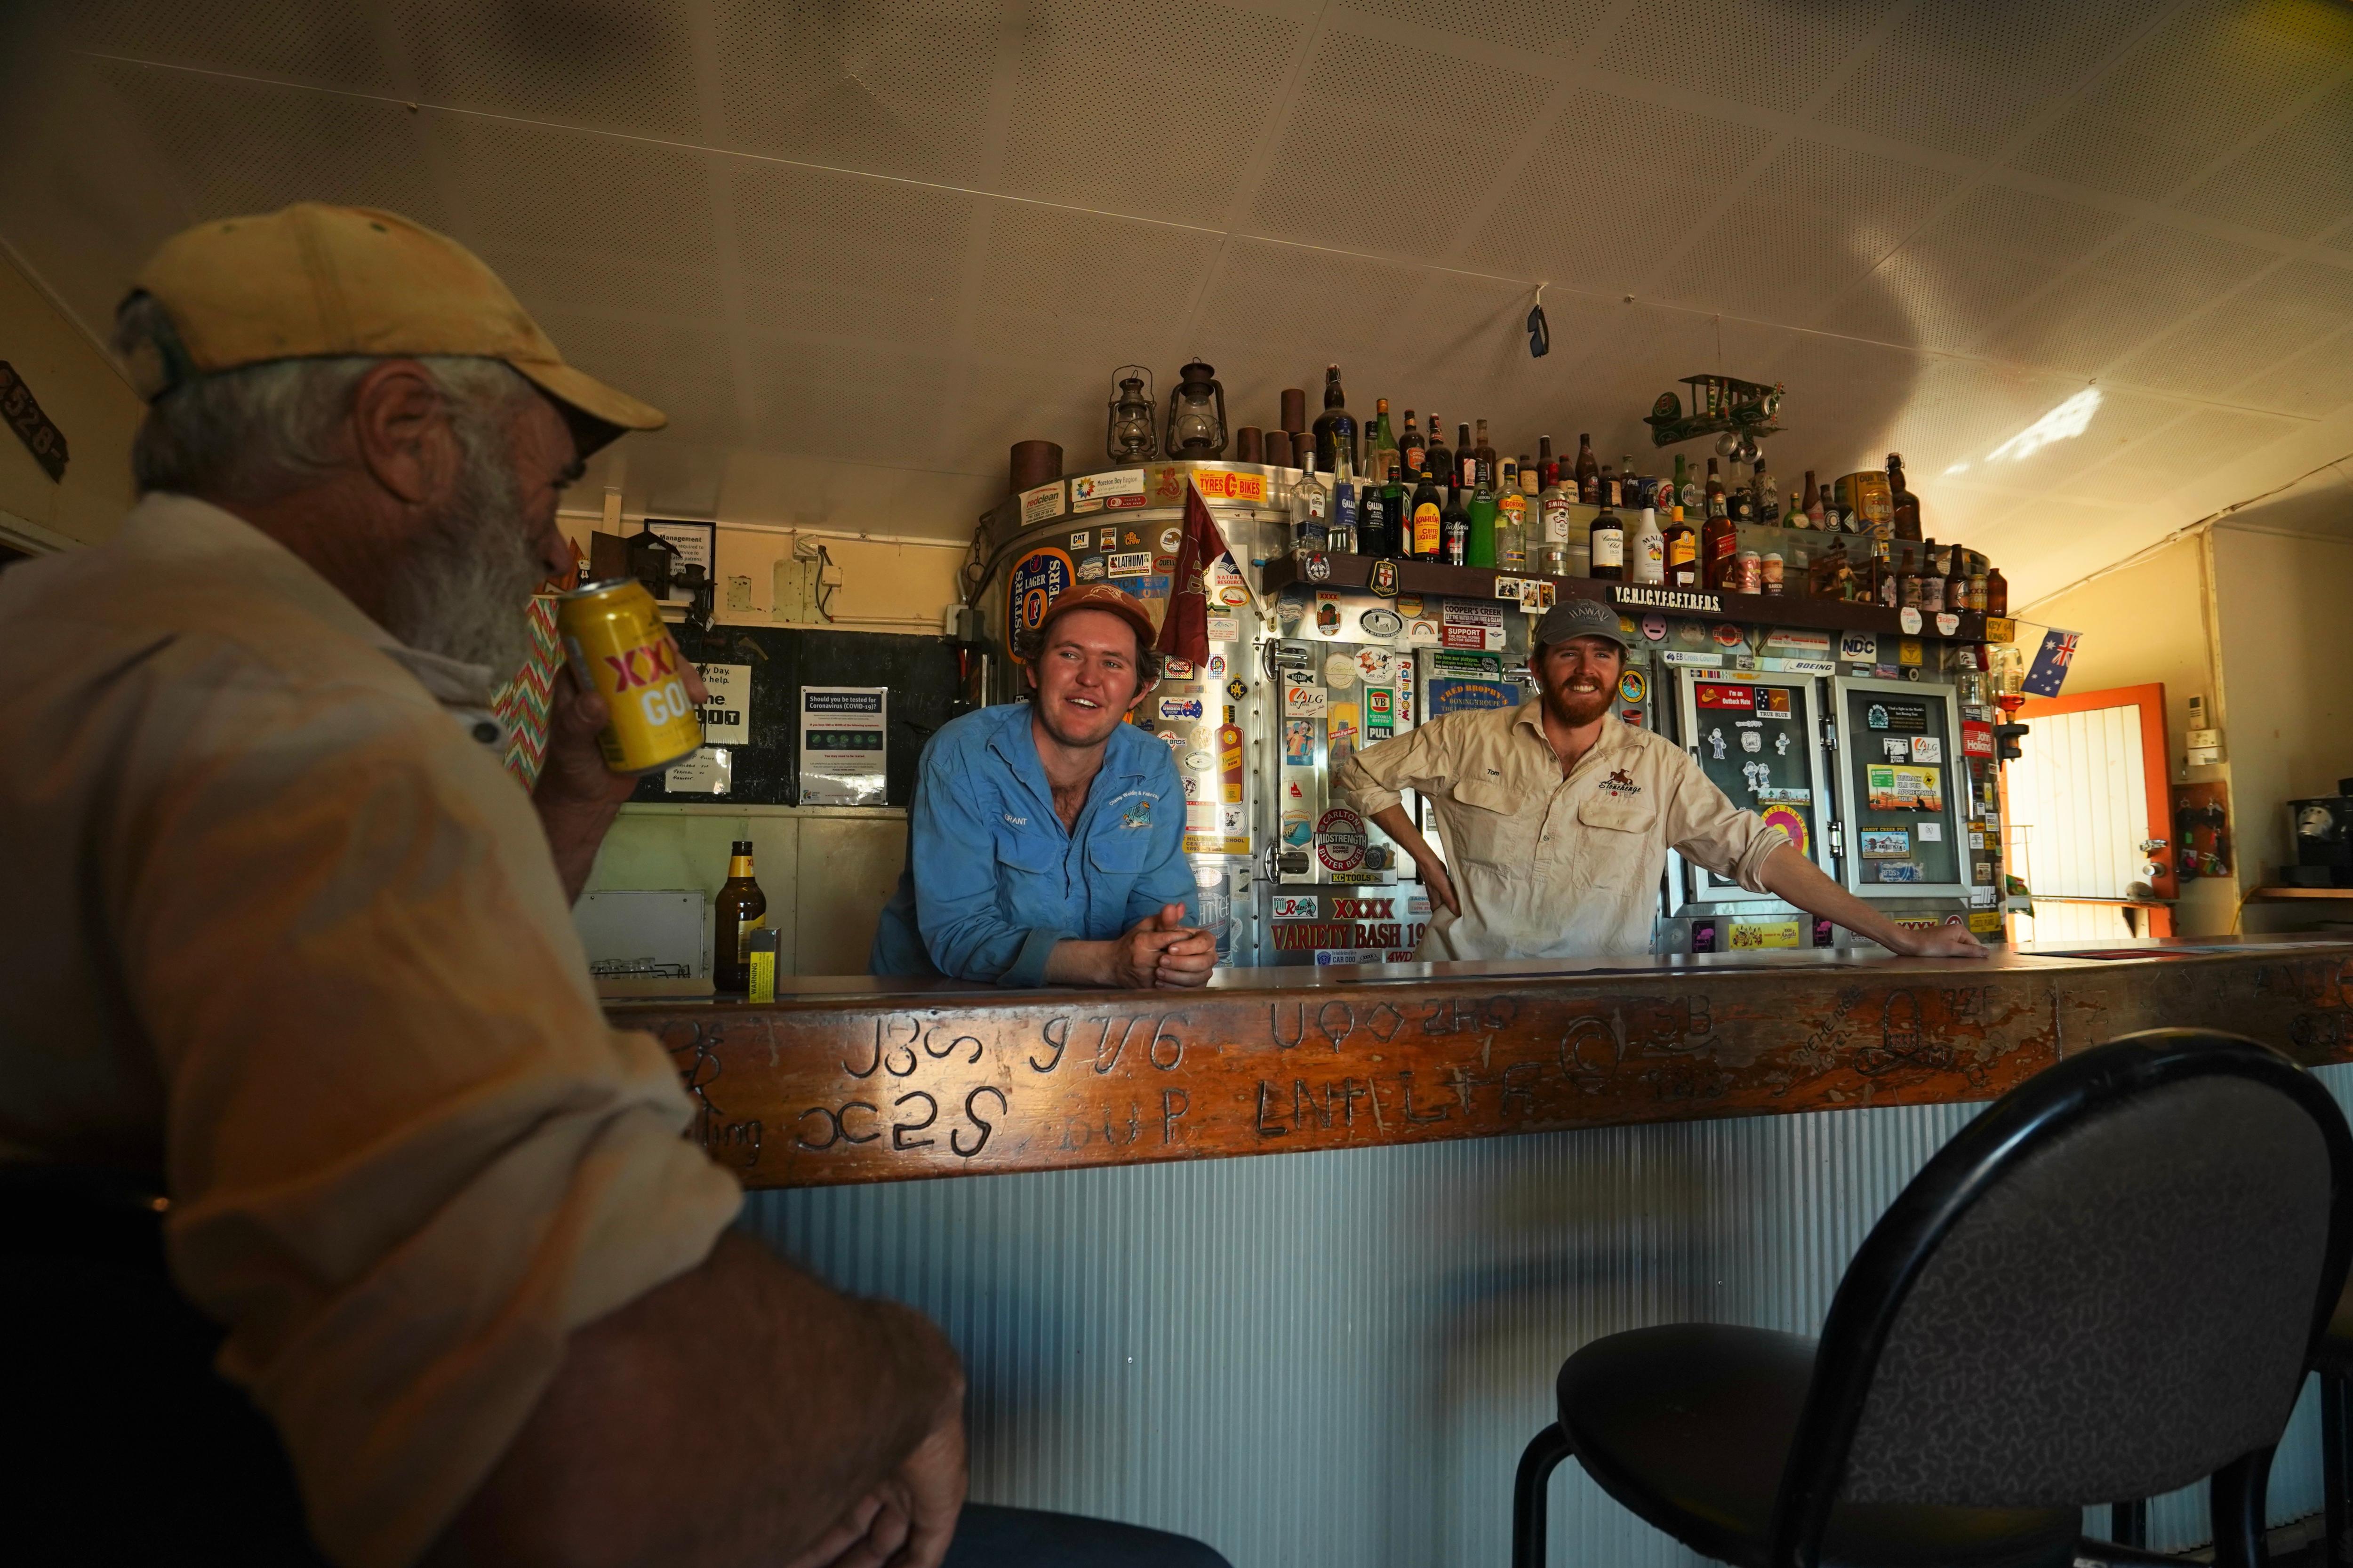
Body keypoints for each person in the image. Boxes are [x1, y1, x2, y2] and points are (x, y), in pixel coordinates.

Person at [0, 204, 1226, 1568]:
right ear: (403, 434)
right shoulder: (311, 727)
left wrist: (580, 789)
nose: (549, 544)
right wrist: (908, 1369)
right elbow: (591, 1424)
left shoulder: (61, 637)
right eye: (544, 479)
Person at [1336, 597, 1988, 963]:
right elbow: (1360, 772)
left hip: (1599, 1002)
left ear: (1621, 669)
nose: (1585, 669)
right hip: (1463, 989)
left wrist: (1898, 936)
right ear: (1539, 667)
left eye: (1602, 654)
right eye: (1568, 654)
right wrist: (1424, 857)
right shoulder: (1466, 736)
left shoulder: (1659, 766)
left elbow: (1758, 853)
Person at [871, 584, 1216, 988]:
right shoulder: (962, 754)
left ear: (1138, 691)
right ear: (1034, 671)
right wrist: (1107, 962)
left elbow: (1159, 905)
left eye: (1113, 663)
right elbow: (957, 936)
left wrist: (1171, 949)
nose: (1089, 678)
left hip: (1087, 1013)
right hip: (931, 1009)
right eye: (1070, 655)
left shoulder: (1151, 768)